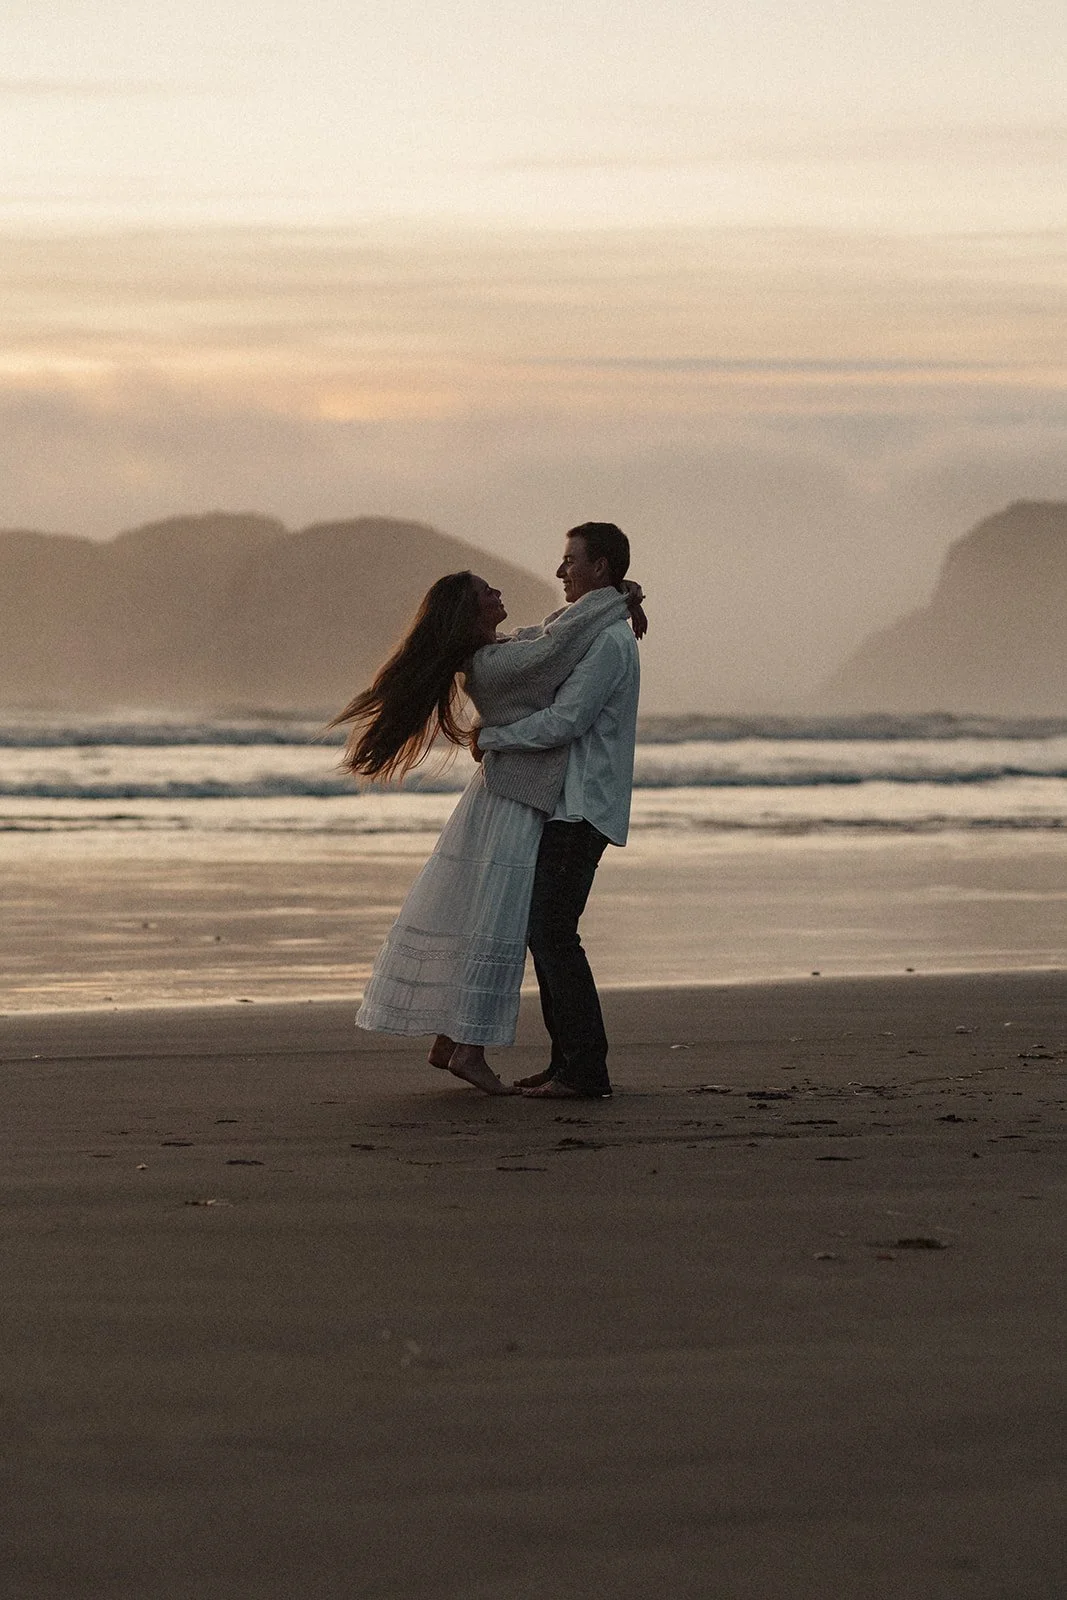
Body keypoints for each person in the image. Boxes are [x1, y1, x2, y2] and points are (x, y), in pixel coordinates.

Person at [331, 567, 643, 1095]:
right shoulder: (496, 665)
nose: (499, 594)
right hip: (516, 799)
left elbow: (553, 633)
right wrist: (620, 597)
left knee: (492, 916)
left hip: (510, 792)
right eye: (486, 593)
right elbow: (557, 649)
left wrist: (621, 597)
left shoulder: (498, 653)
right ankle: (470, 1049)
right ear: (467, 613)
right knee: (497, 920)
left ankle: (454, 1041)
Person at [474, 523, 640, 1100]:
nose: (560, 570)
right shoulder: (583, 631)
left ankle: (584, 1069)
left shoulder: (607, 640)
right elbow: (539, 648)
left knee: (552, 934)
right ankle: (567, 1062)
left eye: (571, 560)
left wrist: (496, 736)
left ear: (601, 568)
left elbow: (566, 721)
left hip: (583, 806)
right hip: (570, 804)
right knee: (548, 933)